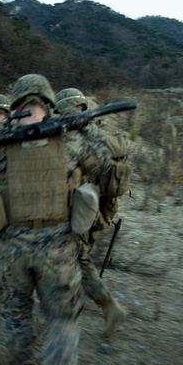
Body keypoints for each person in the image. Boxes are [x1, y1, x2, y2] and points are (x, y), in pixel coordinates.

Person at [0, 74, 121, 365]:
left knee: (16, 318)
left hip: (8, 249)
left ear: (14, 106)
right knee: (62, 317)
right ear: (48, 103)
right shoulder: (73, 142)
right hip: (58, 248)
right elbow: (109, 173)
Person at [54, 87, 129, 339]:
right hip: (100, 207)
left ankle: (109, 306)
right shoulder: (102, 131)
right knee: (81, 257)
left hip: (79, 209)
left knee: (78, 260)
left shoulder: (76, 136)